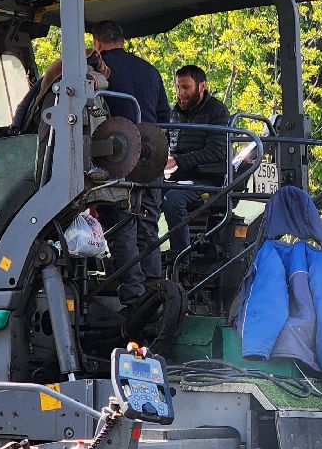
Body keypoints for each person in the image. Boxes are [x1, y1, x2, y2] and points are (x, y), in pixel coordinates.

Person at [89, 20, 171, 304]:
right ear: (122, 40)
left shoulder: (98, 72)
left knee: (121, 225)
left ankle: (134, 297)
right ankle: (154, 292)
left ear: (97, 44)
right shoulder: (150, 70)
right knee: (148, 225)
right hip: (151, 157)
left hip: (117, 158)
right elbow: (164, 116)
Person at [161, 65, 231, 258]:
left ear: (201, 86)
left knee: (173, 200)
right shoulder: (173, 113)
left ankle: (181, 257)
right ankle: (145, 255)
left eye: (186, 88)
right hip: (177, 177)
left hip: (207, 179)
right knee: (145, 196)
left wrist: (178, 161)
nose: (180, 93)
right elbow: (164, 142)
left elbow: (216, 151)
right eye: (177, 87)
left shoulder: (217, 111)